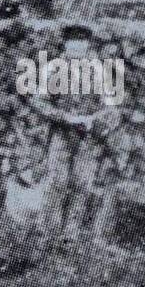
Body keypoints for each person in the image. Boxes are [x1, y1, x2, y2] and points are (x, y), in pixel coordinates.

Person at [27, 23, 119, 243]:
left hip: (89, 134)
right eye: (72, 51)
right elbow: (38, 101)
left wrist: (97, 122)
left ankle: (71, 232)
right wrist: (61, 115)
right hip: (61, 129)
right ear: (65, 49)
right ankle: (47, 231)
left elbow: (112, 105)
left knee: (81, 183)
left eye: (81, 51)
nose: (76, 56)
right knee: (57, 179)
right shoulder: (52, 68)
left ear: (88, 49)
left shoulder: (100, 70)